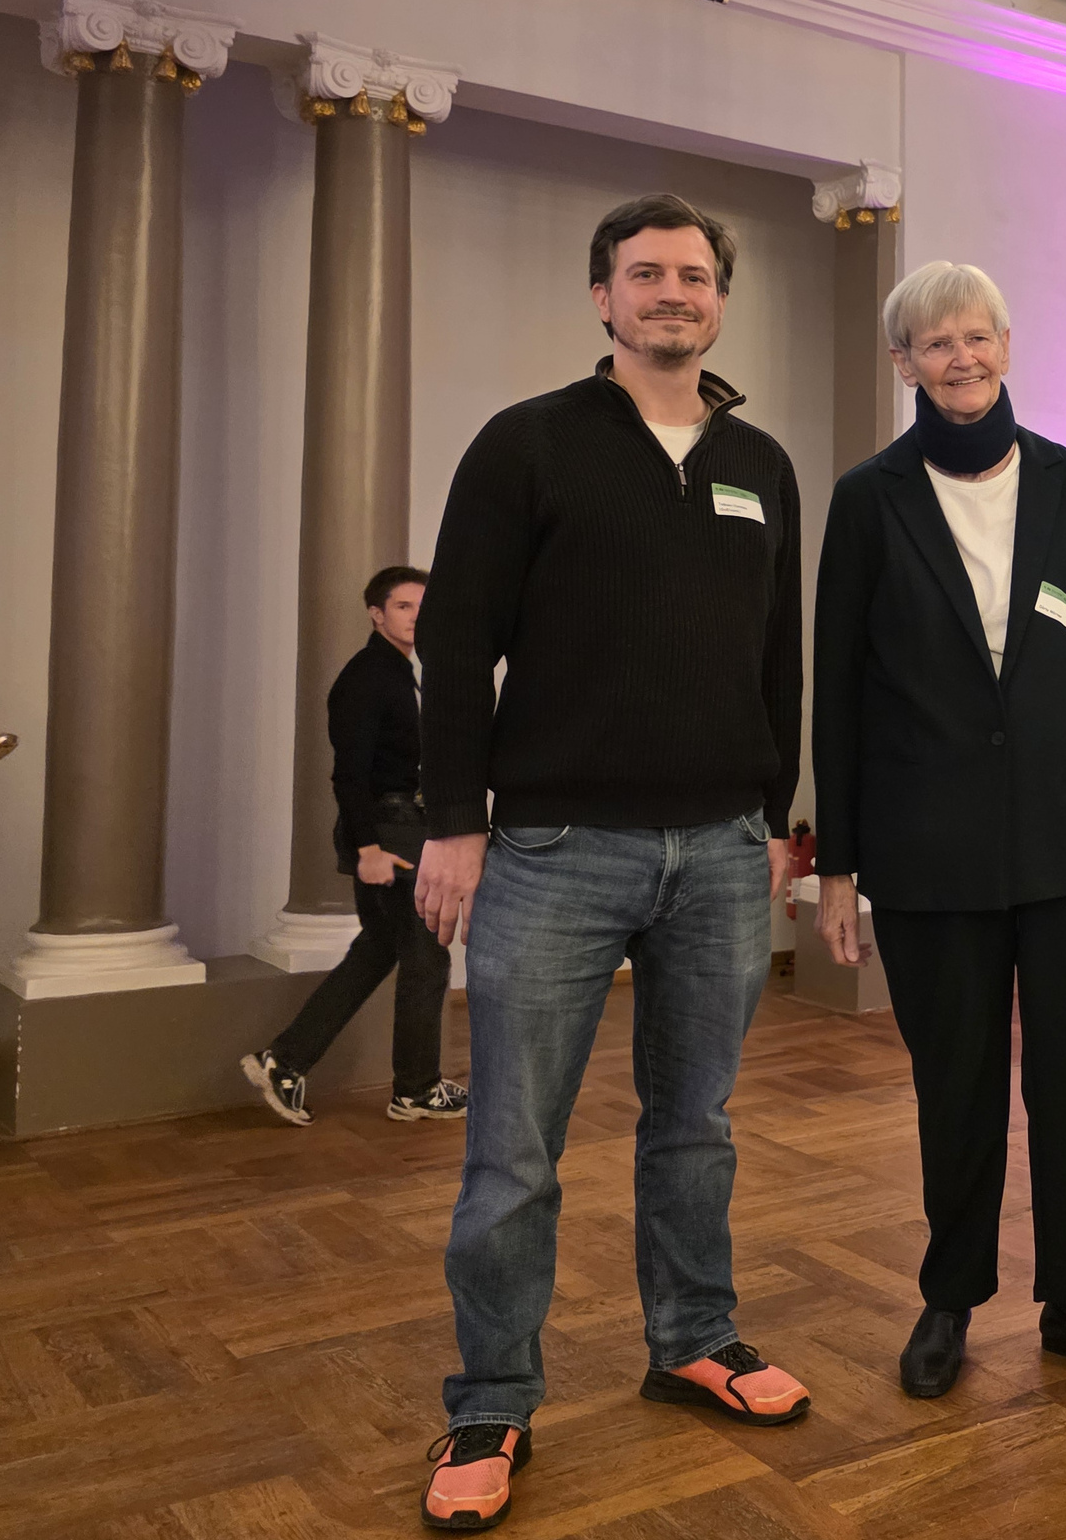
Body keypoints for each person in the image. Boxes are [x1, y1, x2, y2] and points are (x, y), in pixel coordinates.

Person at [409, 194, 808, 1531]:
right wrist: (452, 822)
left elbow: (778, 661)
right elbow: (458, 646)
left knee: (694, 1128)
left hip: (720, 851)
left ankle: (695, 1335)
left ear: (719, 301)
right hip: (552, 851)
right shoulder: (526, 447)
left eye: (694, 276)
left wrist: (775, 822)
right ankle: (492, 1400)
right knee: (514, 1151)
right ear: (602, 298)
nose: (671, 294)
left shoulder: (762, 462)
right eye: (645, 275)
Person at [811, 261, 1066, 1400]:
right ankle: (948, 1298)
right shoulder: (870, 497)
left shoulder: (1065, 480)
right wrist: (838, 866)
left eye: (977, 337)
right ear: (903, 363)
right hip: (929, 851)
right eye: (934, 343)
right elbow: (840, 688)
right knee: (954, 1086)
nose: (960, 358)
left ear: (1006, 347)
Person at [242, 567, 465, 1126]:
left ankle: (284, 1060)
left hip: (399, 826)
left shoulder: (397, 673)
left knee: (379, 950)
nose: (415, 617)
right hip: (389, 832)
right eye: (403, 607)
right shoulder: (368, 677)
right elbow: (349, 775)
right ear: (376, 613)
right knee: (427, 958)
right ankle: (415, 1089)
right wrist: (367, 848)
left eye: (422, 607)